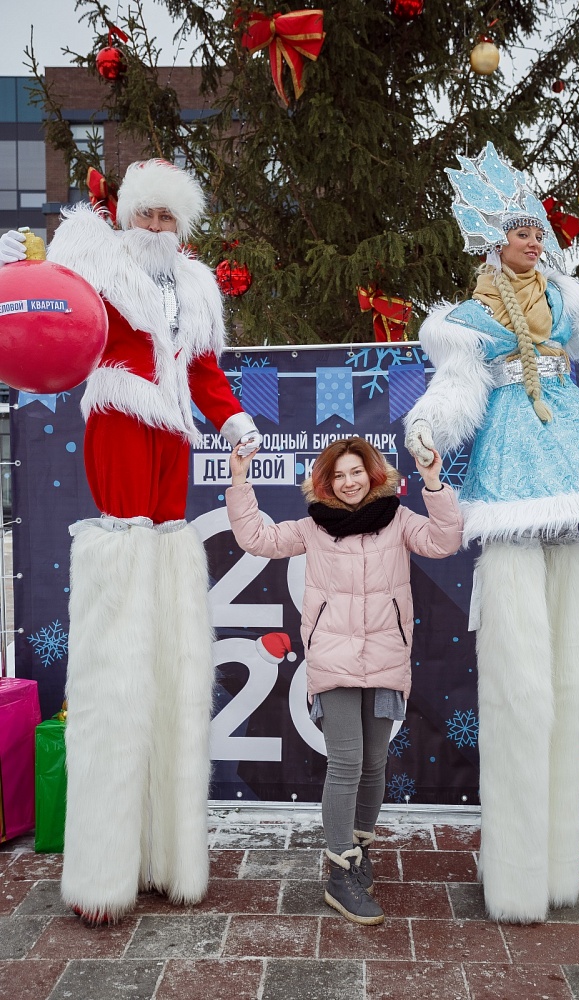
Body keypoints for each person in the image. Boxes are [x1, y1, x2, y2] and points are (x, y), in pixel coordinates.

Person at [404, 142, 579, 924]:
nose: (532, 240)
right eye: (520, 231)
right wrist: (427, 428)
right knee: (519, 662)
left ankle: (556, 864)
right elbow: (457, 392)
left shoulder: (561, 296)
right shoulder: (470, 320)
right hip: (514, 463)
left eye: (536, 230)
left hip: (570, 458)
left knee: (564, 661)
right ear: (493, 241)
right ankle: (517, 867)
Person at [0, 159, 262, 922]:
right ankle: (103, 865)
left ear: (180, 225)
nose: (155, 226)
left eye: (166, 217)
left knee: (169, 545)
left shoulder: (196, 286)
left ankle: (164, 849)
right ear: (126, 216)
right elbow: (49, 302)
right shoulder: (96, 257)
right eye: (145, 213)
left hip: (173, 434)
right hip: (119, 414)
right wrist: (18, 266)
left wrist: (234, 420)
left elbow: (204, 371)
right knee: (124, 545)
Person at [226, 437, 463, 923]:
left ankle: (358, 851)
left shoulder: (399, 520)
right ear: (325, 483)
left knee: (374, 764)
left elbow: (444, 541)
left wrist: (433, 482)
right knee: (346, 763)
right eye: (338, 475)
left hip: (386, 658)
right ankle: (339, 871)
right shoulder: (313, 527)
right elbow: (257, 538)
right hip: (333, 661)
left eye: (356, 472)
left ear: (373, 474)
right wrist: (240, 479)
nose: (348, 482)